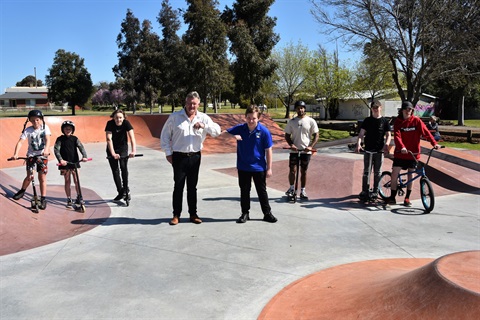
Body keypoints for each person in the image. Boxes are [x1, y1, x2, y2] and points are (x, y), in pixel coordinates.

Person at [160, 91, 221, 225]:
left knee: (192, 187)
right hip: (178, 157)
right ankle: (176, 215)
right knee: (178, 186)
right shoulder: (175, 117)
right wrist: (168, 153)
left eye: (194, 103)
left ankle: (193, 214)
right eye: (189, 103)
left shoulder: (203, 118)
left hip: (195, 157)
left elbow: (217, 131)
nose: (191, 106)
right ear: (185, 103)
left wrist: (204, 126)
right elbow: (164, 136)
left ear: (198, 104)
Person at [221, 105, 277, 223]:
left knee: (262, 191)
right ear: (245, 117)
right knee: (244, 191)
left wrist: (269, 168)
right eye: (249, 118)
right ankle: (245, 213)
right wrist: (233, 136)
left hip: (259, 167)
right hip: (243, 166)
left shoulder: (264, 131)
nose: (251, 121)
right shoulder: (240, 128)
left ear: (258, 118)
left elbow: (269, 150)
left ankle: (267, 213)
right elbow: (223, 134)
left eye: (254, 118)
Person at [385, 101, 441, 206]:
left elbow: (426, 133)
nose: (408, 111)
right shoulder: (398, 122)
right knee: (395, 174)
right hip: (401, 153)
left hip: (413, 153)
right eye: (406, 109)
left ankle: (407, 198)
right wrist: (402, 147)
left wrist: (434, 143)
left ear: (412, 110)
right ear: (402, 110)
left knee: (411, 175)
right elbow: (397, 136)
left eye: (410, 109)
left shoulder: (416, 121)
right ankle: (392, 197)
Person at [10, 109, 51, 209]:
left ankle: (43, 198)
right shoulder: (28, 130)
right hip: (31, 156)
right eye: (32, 120)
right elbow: (20, 142)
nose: (35, 122)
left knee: (42, 178)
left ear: (41, 119)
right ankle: (22, 191)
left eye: (37, 120)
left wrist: (46, 149)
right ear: (30, 121)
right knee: (29, 177)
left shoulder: (45, 128)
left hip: (42, 156)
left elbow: (47, 139)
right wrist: (16, 154)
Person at [354, 100, 392, 201]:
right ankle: (365, 191)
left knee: (377, 172)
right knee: (366, 171)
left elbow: (388, 135)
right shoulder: (367, 120)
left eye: (377, 107)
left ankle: (376, 191)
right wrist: (358, 143)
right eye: (373, 107)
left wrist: (387, 144)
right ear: (371, 109)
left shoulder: (384, 121)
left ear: (380, 108)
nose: (375, 109)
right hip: (368, 150)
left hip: (379, 151)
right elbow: (361, 134)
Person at [284, 100, 319, 200]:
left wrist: (311, 146)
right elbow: (287, 135)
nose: (300, 109)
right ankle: (291, 188)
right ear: (296, 109)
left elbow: (316, 135)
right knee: (292, 170)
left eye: (302, 108)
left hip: (305, 151)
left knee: (304, 171)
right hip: (294, 150)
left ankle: (303, 190)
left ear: (305, 109)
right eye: (298, 108)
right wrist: (291, 144)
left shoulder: (311, 121)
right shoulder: (292, 121)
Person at [54, 120, 89, 207]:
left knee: (77, 180)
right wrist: (60, 160)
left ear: (72, 130)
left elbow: (81, 147)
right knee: (67, 181)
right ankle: (69, 198)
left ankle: (79, 196)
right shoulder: (60, 139)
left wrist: (84, 156)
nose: (68, 130)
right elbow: (56, 150)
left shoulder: (75, 139)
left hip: (75, 163)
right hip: (65, 164)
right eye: (66, 129)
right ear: (63, 129)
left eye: (70, 129)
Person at [105, 109, 137, 201]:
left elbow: (132, 137)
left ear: (123, 118)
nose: (118, 120)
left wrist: (133, 151)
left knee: (123, 168)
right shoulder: (110, 124)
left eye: (120, 118)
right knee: (115, 171)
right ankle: (121, 191)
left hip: (123, 148)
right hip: (112, 149)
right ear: (113, 118)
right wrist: (113, 153)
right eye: (116, 118)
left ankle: (126, 189)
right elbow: (108, 139)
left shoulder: (126, 123)